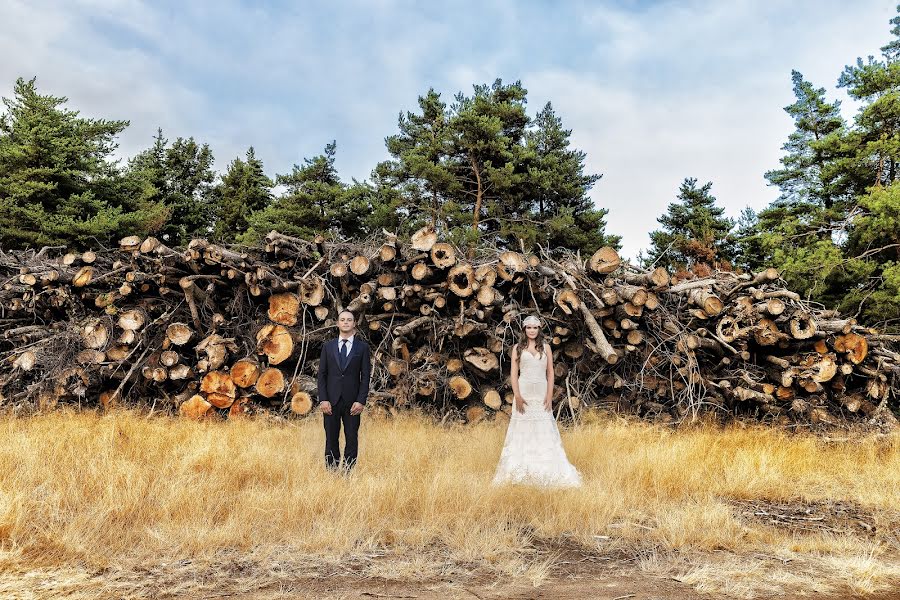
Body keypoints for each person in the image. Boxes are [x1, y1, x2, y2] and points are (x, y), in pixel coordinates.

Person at [492, 314, 582, 487]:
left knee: (544, 426)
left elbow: (550, 372)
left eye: (535, 327)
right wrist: (517, 395)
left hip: (541, 392)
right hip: (524, 391)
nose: (532, 330)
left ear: (539, 329)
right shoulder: (518, 348)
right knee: (523, 427)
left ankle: (547, 468)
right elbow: (513, 373)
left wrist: (549, 396)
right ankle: (521, 468)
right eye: (529, 327)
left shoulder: (546, 348)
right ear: (524, 330)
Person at [317, 310, 371, 471]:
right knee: (331, 439)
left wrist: (361, 401)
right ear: (337, 323)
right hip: (331, 402)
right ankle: (332, 473)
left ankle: (348, 473)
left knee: (351, 438)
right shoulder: (328, 347)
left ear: (354, 324)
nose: (346, 322)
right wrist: (323, 399)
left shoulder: (362, 348)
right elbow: (322, 375)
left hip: (352, 403)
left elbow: (365, 376)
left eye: (349, 320)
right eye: (342, 320)